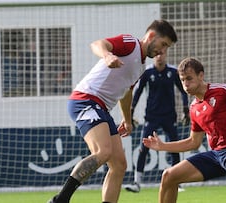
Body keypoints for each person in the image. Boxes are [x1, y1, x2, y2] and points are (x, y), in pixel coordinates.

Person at [47, 19, 178, 203]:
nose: (163, 52)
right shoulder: (130, 43)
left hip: (101, 108)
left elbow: (126, 93)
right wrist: (107, 55)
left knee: (119, 165)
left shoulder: (140, 67)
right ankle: (59, 200)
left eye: (167, 48)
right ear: (151, 36)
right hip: (85, 100)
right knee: (103, 152)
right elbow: (97, 44)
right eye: (163, 44)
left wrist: (128, 120)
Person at [143, 57, 226, 203]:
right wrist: (163, 146)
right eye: (182, 80)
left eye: (189, 78)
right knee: (169, 176)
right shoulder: (193, 107)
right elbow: (193, 142)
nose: (186, 84)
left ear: (201, 75)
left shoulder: (222, 91)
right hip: (216, 155)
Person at [124, 51, 189, 193]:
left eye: (162, 54)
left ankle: (176, 183)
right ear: (154, 56)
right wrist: (131, 112)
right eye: (157, 54)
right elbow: (138, 92)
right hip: (151, 117)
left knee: (174, 147)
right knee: (143, 148)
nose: (160, 56)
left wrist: (186, 110)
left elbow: (183, 91)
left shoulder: (173, 71)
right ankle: (137, 183)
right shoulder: (147, 72)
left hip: (169, 116)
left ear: (166, 55)